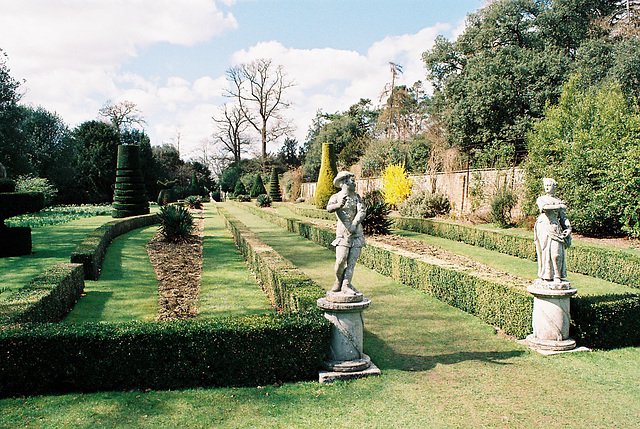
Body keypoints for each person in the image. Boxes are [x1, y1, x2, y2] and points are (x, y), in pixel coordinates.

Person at [327, 171, 366, 295]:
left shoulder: (357, 197)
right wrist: (338, 205)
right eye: (352, 181)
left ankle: (346, 284)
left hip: (356, 233)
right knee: (340, 260)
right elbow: (328, 208)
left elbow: (362, 211)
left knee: (351, 262)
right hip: (342, 233)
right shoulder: (336, 197)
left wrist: (355, 224)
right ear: (344, 183)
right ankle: (338, 281)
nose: (355, 184)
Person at [534, 178, 571, 283]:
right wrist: (559, 206)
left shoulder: (558, 200)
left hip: (555, 227)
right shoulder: (541, 199)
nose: (546, 187)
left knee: (556, 253)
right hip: (544, 226)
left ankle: (557, 275)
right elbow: (545, 208)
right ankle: (546, 275)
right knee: (545, 252)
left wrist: (568, 228)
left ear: (554, 187)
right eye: (545, 185)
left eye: (549, 185)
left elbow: (563, 217)